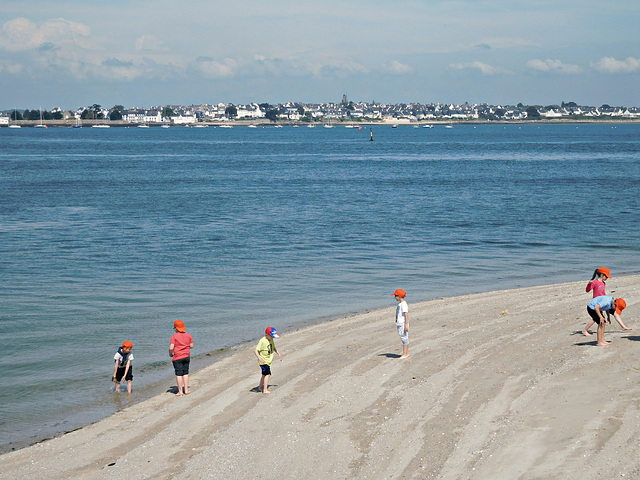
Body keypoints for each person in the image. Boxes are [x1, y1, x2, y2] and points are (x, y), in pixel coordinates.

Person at [582, 268, 631, 335]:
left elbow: (603, 293)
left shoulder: (603, 283)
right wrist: (589, 284)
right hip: (597, 303)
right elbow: (587, 290)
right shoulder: (595, 282)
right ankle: (585, 330)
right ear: (602, 275)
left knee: (615, 313)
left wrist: (608, 315)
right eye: (606, 276)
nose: (607, 278)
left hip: (605, 302)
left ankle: (623, 327)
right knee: (596, 318)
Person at [254, 327, 282, 394]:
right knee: (268, 374)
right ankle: (265, 389)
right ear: (267, 335)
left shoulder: (271, 340)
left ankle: (260, 387)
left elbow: (273, 347)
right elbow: (256, 350)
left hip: (268, 361)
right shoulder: (262, 341)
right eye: (272, 336)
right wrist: (259, 358)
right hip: (263, 361)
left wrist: (278, 353)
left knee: (264, 375)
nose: (273, 338)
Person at [169, 320, 194, 396]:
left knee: (179, 374)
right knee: (185, 373)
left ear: (176, 328)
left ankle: (180, 391)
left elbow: (171, 347)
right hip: (186, 356)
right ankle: (186, 390)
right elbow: (192, 346)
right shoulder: (188, 335)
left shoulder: (174, 336)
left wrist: (170, 354)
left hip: (177, 357)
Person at [392, 288, 409, 359]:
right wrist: (396, 318)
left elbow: (406, 315)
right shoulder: (400, 304)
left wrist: (406, 325)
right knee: (403, 337)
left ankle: (405, 354)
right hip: (399, 323)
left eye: (395, 296)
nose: (395, 297)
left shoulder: (404, 304)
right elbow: (399, 313)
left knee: (404, 338)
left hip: (402, 324)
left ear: (399, 296)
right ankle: (406, 353)